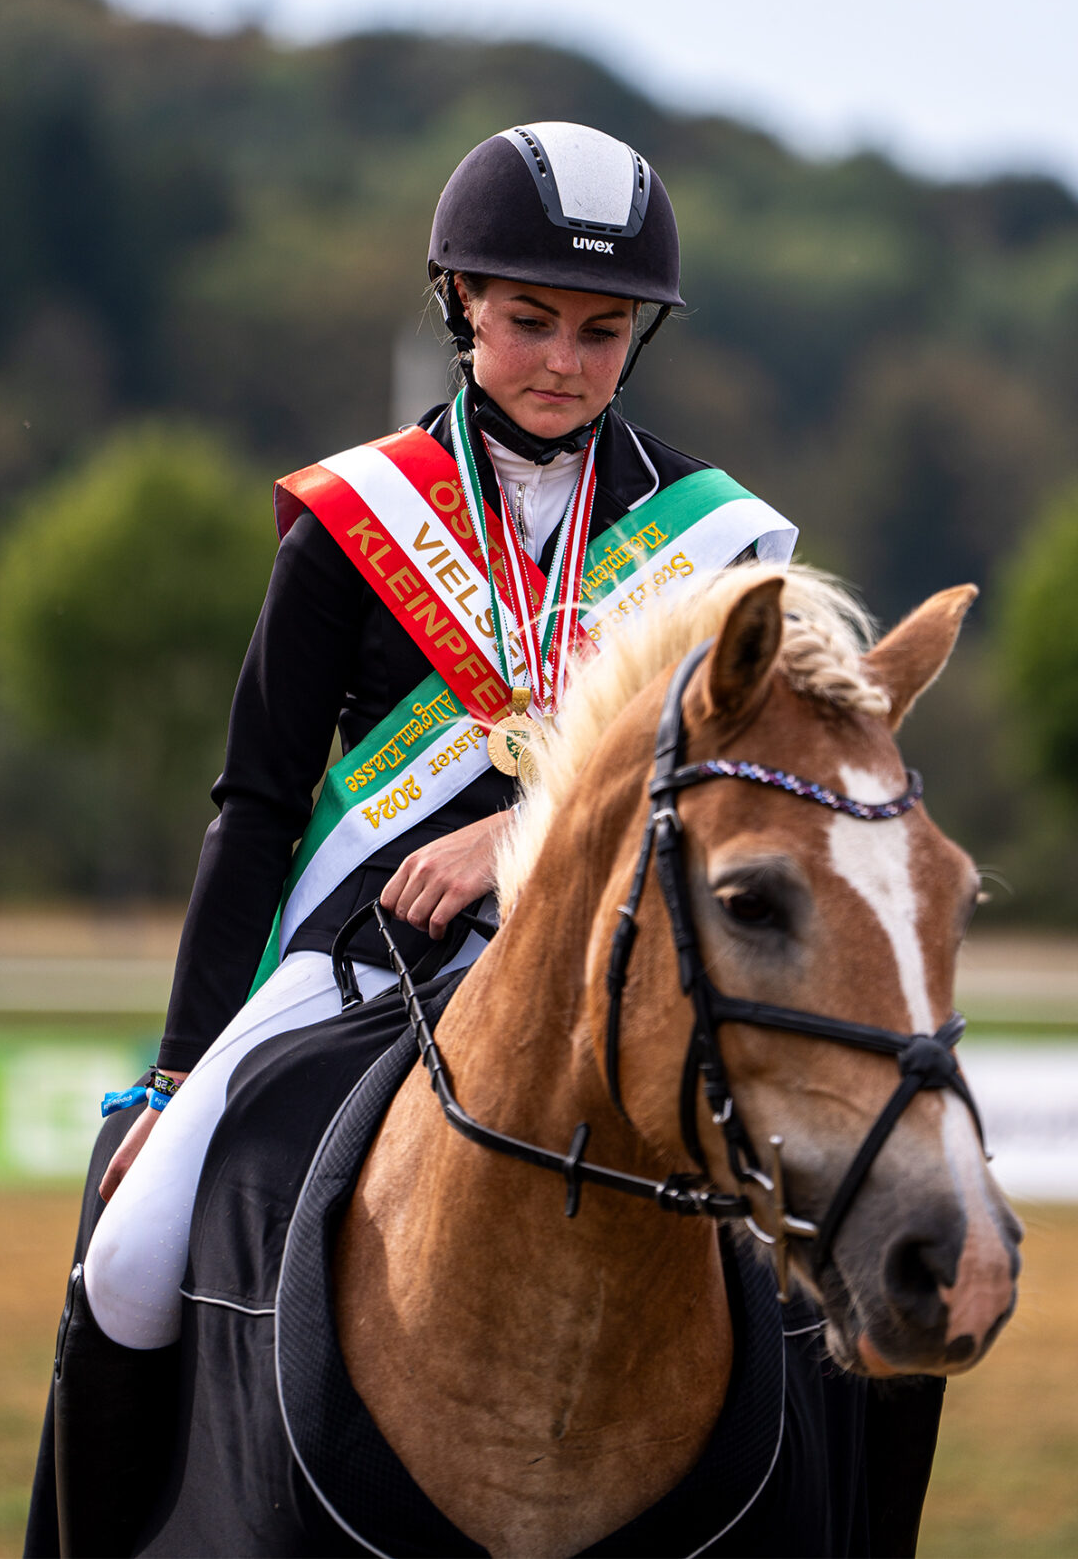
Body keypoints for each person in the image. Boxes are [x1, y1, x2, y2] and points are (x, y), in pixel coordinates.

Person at [76, 121, 798, 1353]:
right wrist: (185, 1064)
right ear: (460, 302)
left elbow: (740, 784)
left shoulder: (711, 545)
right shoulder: (348, 523)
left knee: (828, 1259)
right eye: (529, 319)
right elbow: (256, 805)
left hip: (624, 956)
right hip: (368, 950)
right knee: (132, 1255)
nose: (564, 363)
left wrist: (518, 834)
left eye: (601, 331)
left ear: (639, 337)